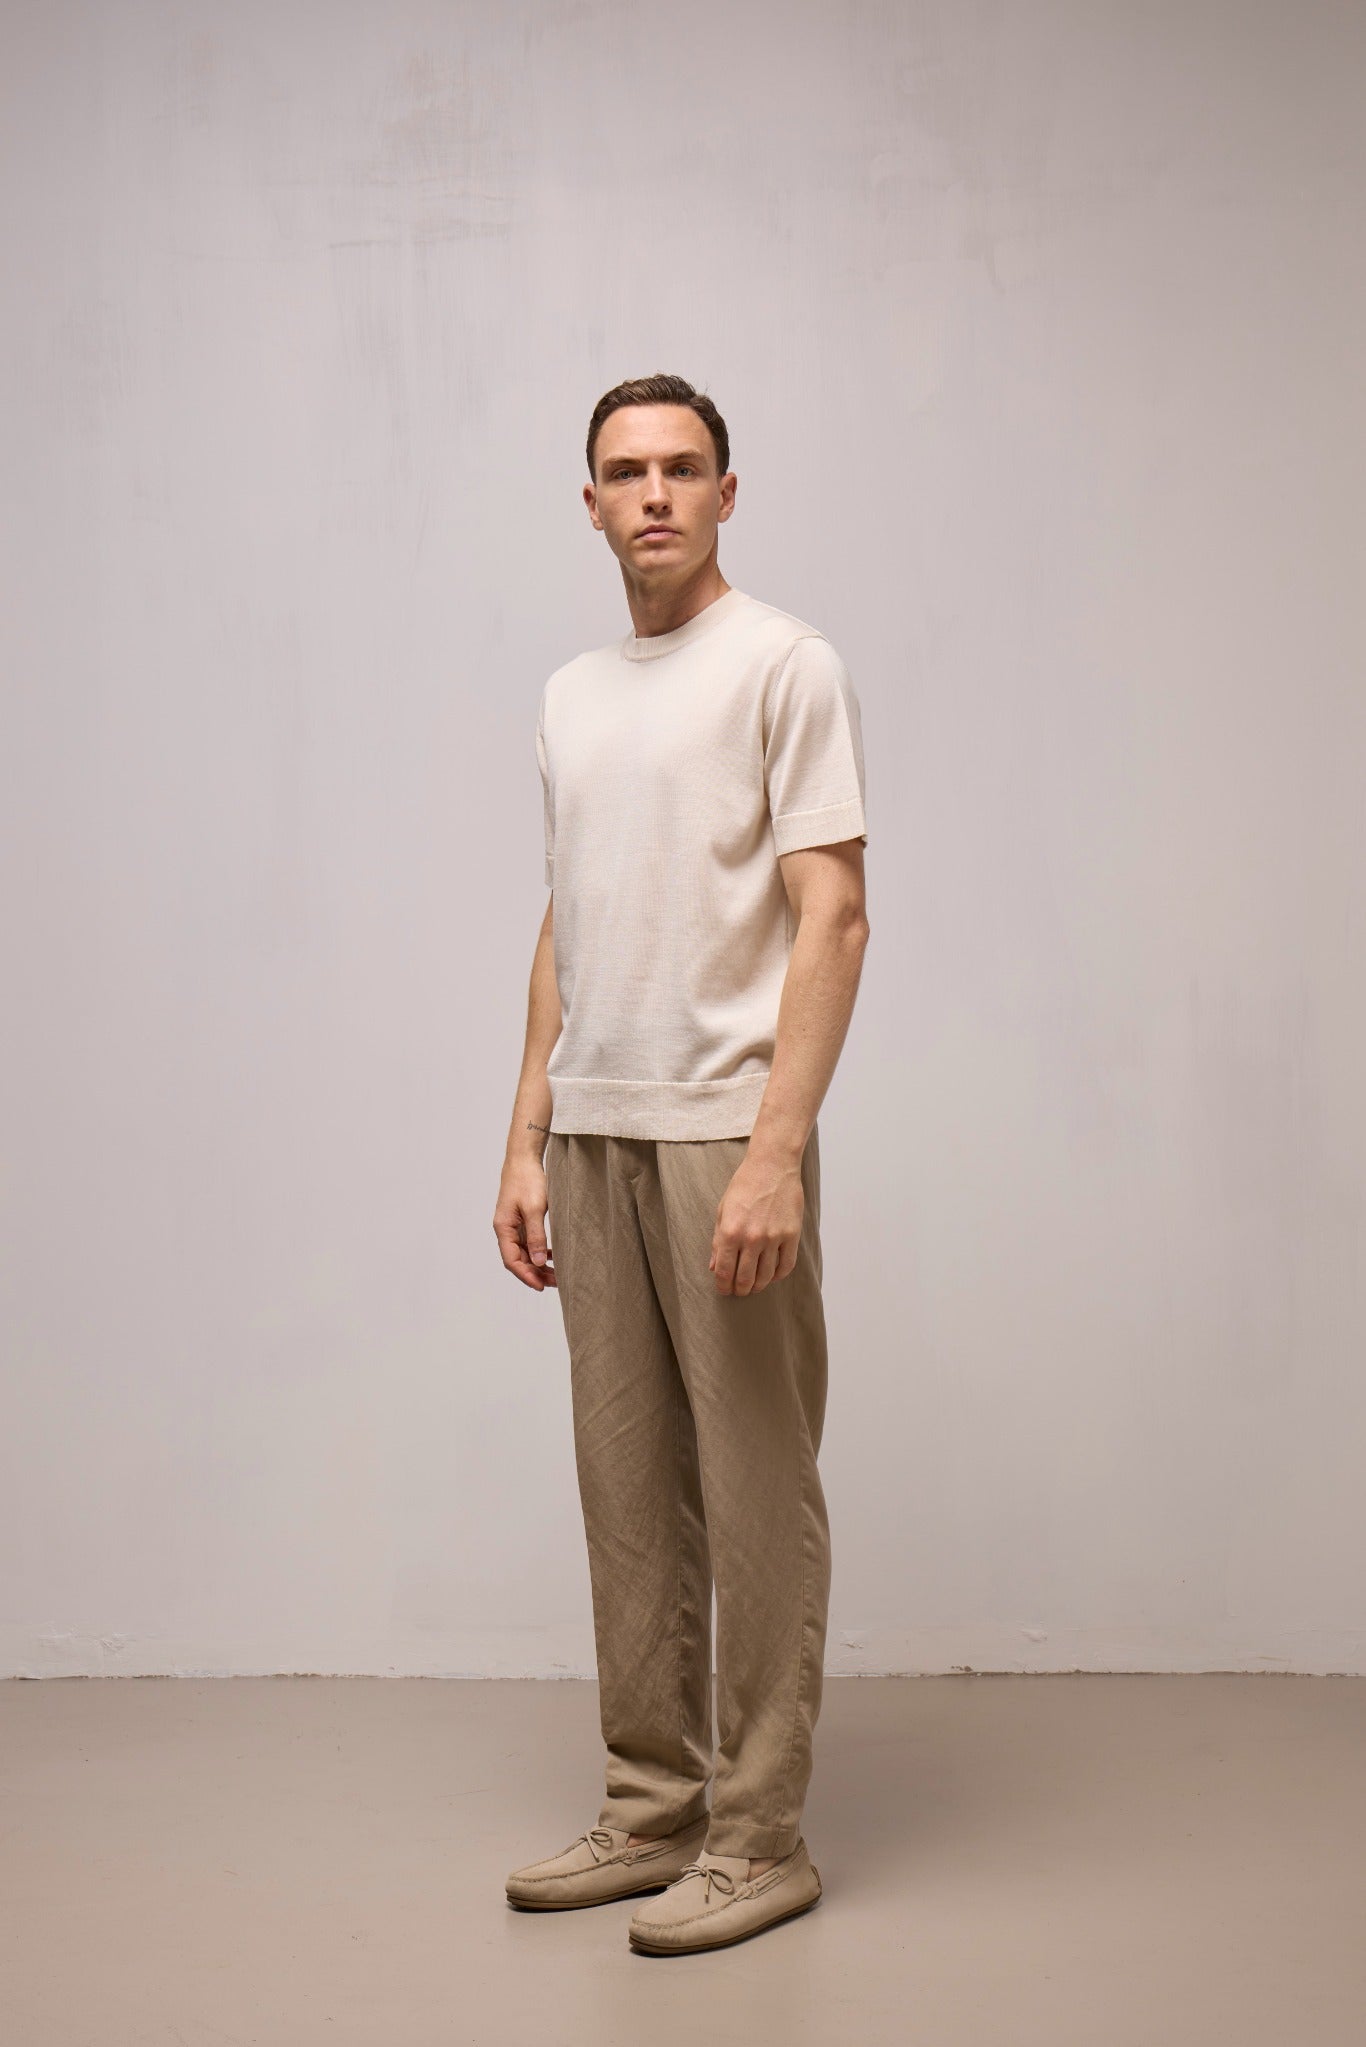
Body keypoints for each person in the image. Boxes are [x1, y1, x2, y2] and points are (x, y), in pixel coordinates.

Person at [493, 372, 870, 1955]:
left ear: (725, 490)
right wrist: (525, 1131)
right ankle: (650, 1811)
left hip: (722, 1130)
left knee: (755, 1487)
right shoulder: (572, 693)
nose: (653, 493)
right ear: (588, 502)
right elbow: (566, 918)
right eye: (625, 471)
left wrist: (776, 1154)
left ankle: (759, 1836)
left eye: (681, 467)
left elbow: (832, 913)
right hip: (595, 1133)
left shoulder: (784, 663)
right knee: (628, 1492)